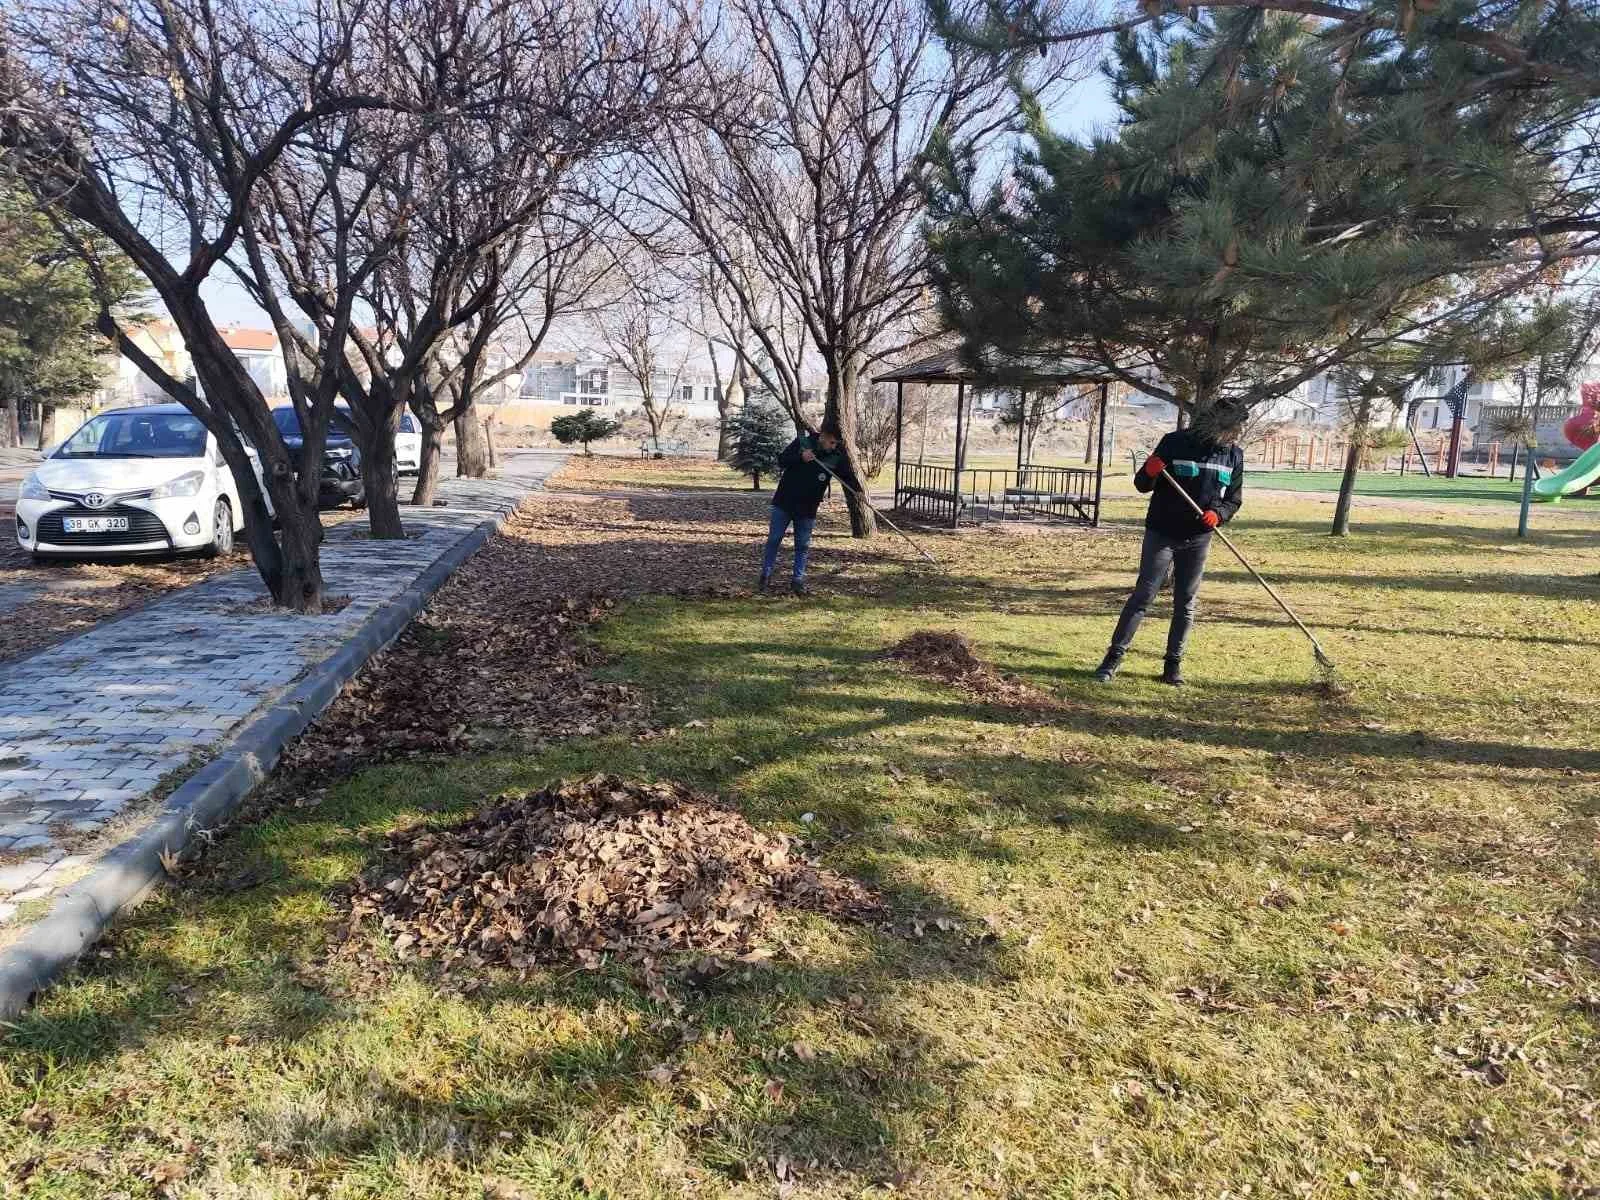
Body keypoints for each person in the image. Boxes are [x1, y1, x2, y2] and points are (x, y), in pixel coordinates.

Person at [1094, 407, 1246, 686]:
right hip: (1162, 532)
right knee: (1143, 596)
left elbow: (1234, 499)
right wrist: (1150, 472)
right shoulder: (1174, 442)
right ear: (1215, 423)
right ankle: (1112, 660)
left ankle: (1172, 666)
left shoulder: (1233, 455)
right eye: (1233, 427)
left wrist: (1219, 514)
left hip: (1198, 537)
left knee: (1186, 603)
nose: (1235, 434)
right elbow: (1142, 484)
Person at [759, 421, 858, 596]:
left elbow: (847, 476)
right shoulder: (802, 443)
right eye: (832, 442)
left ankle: (797, 581)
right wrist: (800, 458)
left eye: (837, 443)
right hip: (785, 502)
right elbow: (782, 461)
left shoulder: (835, 456)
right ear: (822, 437)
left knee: (802, 546)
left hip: (808, 508)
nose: (834, 446)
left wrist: (858, 492)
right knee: (774, 539)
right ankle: (765, 576)